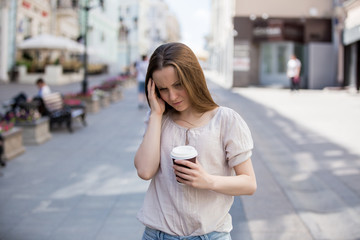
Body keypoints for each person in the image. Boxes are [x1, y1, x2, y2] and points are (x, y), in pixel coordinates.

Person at [134, 42, 257, 240]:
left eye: (178, 85)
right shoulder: (158, 119)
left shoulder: (225, 120)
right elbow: (145, 171)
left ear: (193, 78)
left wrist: (207, 180)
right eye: (163, 89)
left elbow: (249, 183)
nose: (172, 96)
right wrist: (156, 115)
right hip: (157, 235)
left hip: (211, 235)